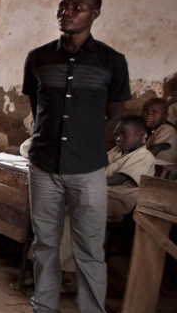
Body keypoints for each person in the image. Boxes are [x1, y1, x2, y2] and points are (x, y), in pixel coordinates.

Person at [15, 0, 130, 313]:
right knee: (45, 242)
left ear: (94, 14)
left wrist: (86, 142)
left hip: (88, 168)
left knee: (89, 251)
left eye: (77, 8)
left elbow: (114, 114)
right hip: (45, 163)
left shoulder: (112, 62)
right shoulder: (39, 58)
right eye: (64, 6)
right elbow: (38, 106)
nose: (67, 12)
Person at [56, 115, 155, 274]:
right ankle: (47, 264)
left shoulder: (144, 156)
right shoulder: (117, 151)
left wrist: (85, 182)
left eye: (125, 135)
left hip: (117, 202)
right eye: (116, 134)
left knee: (77, 212)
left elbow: (119, 178)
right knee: (59, 205)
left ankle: (63, 272)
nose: (119, 139)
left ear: (141, 135)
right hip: (99, 195)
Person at [141, 97, 177, 164]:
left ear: (164, 116)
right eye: (146, 111)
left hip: (164, 171)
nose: (149, 114)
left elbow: (149, 155)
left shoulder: (167, 129)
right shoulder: (144, 132)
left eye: (154, 112)